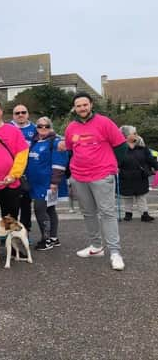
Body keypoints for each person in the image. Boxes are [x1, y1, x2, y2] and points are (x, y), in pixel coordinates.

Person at [59, 92, 127, 271]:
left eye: (85, 104)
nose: (82, 108)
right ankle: (96, 246)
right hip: (79, 176)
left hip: (102, 175)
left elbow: (121, 145)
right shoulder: (71, 127)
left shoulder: (104, 122)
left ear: (91, 105)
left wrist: (114, 164)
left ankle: (115, 252)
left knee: (107, 213)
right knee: (88, 213)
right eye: (78, 105)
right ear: (75, 108)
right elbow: (70, 148)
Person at [25, 117, 68, 251]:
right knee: (50, 209)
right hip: (36, 184)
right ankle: (53, 238)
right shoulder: (35, 141)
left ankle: (46, 239)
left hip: (48, 184)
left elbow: (59, 163)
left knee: (40, 209)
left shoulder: (55, 142)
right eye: (40, 126)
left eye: (46, 126)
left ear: (51, 127)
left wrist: (54, 183)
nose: (43, 128)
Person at [118, 125, 157, 222]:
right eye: (134, 133)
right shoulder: (120, 149)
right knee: (127, 196)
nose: (136, 135)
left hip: (140, 175)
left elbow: (150, 160)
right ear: (126, 136)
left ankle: (144, 214)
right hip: (126, 176)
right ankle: (128, 213)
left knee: (141, 196)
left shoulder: (142, 148)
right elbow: (116, 162)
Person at [11, 104, 36, 232]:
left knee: (26, 205)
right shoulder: (7, 127)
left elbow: (50, 136)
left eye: (23, 112)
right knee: (11, 206)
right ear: (13, 115)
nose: (20, 115)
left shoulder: (36, 129)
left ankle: (25, 232)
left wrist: (60, 141)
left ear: (28, 114)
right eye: (17, 113)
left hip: (27, 174)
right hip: (9, 174)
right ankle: (11, 232)